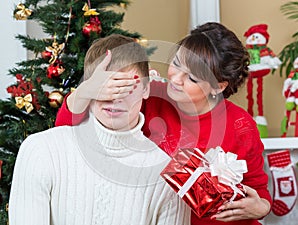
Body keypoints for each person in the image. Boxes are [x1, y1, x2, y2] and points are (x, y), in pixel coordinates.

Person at [55, 23, 272, 225]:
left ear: (218, 87)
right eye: (176, 64)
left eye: (192, 78)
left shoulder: (241, 124)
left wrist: (261, 207)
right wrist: (87, 89)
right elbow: (67, 131)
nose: (176, 79)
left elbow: (259, 191)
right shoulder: (150, 96)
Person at [8, 34, 191, 225]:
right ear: (89, 88)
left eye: (126, 86)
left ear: (146, 89)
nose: (115, 98)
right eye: (106, 86)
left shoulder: (165, 175)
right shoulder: (41, 151)